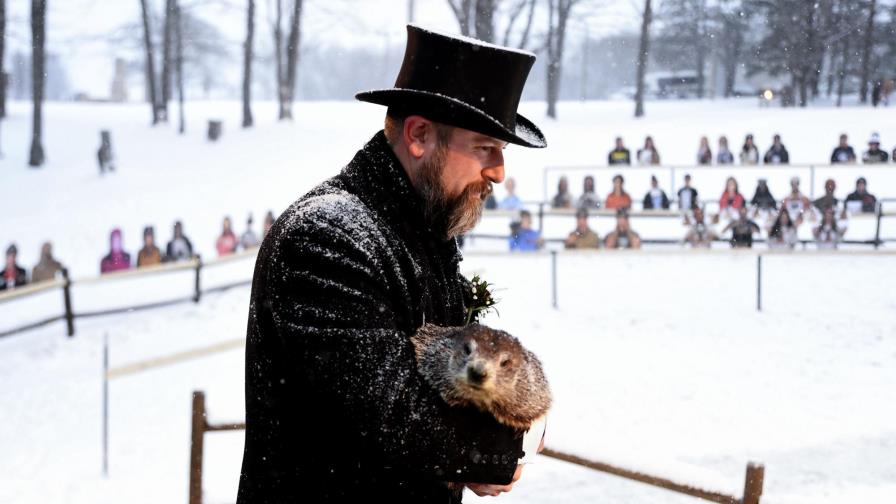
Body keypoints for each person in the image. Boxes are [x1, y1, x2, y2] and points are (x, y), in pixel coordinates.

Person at [238, 25, 546, 503]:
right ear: (419, 135)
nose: (498, 173)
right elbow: (391, 411)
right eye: (484, 147)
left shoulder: (424, 230)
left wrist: (518, 406)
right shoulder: (326, 235)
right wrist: (504, 444)